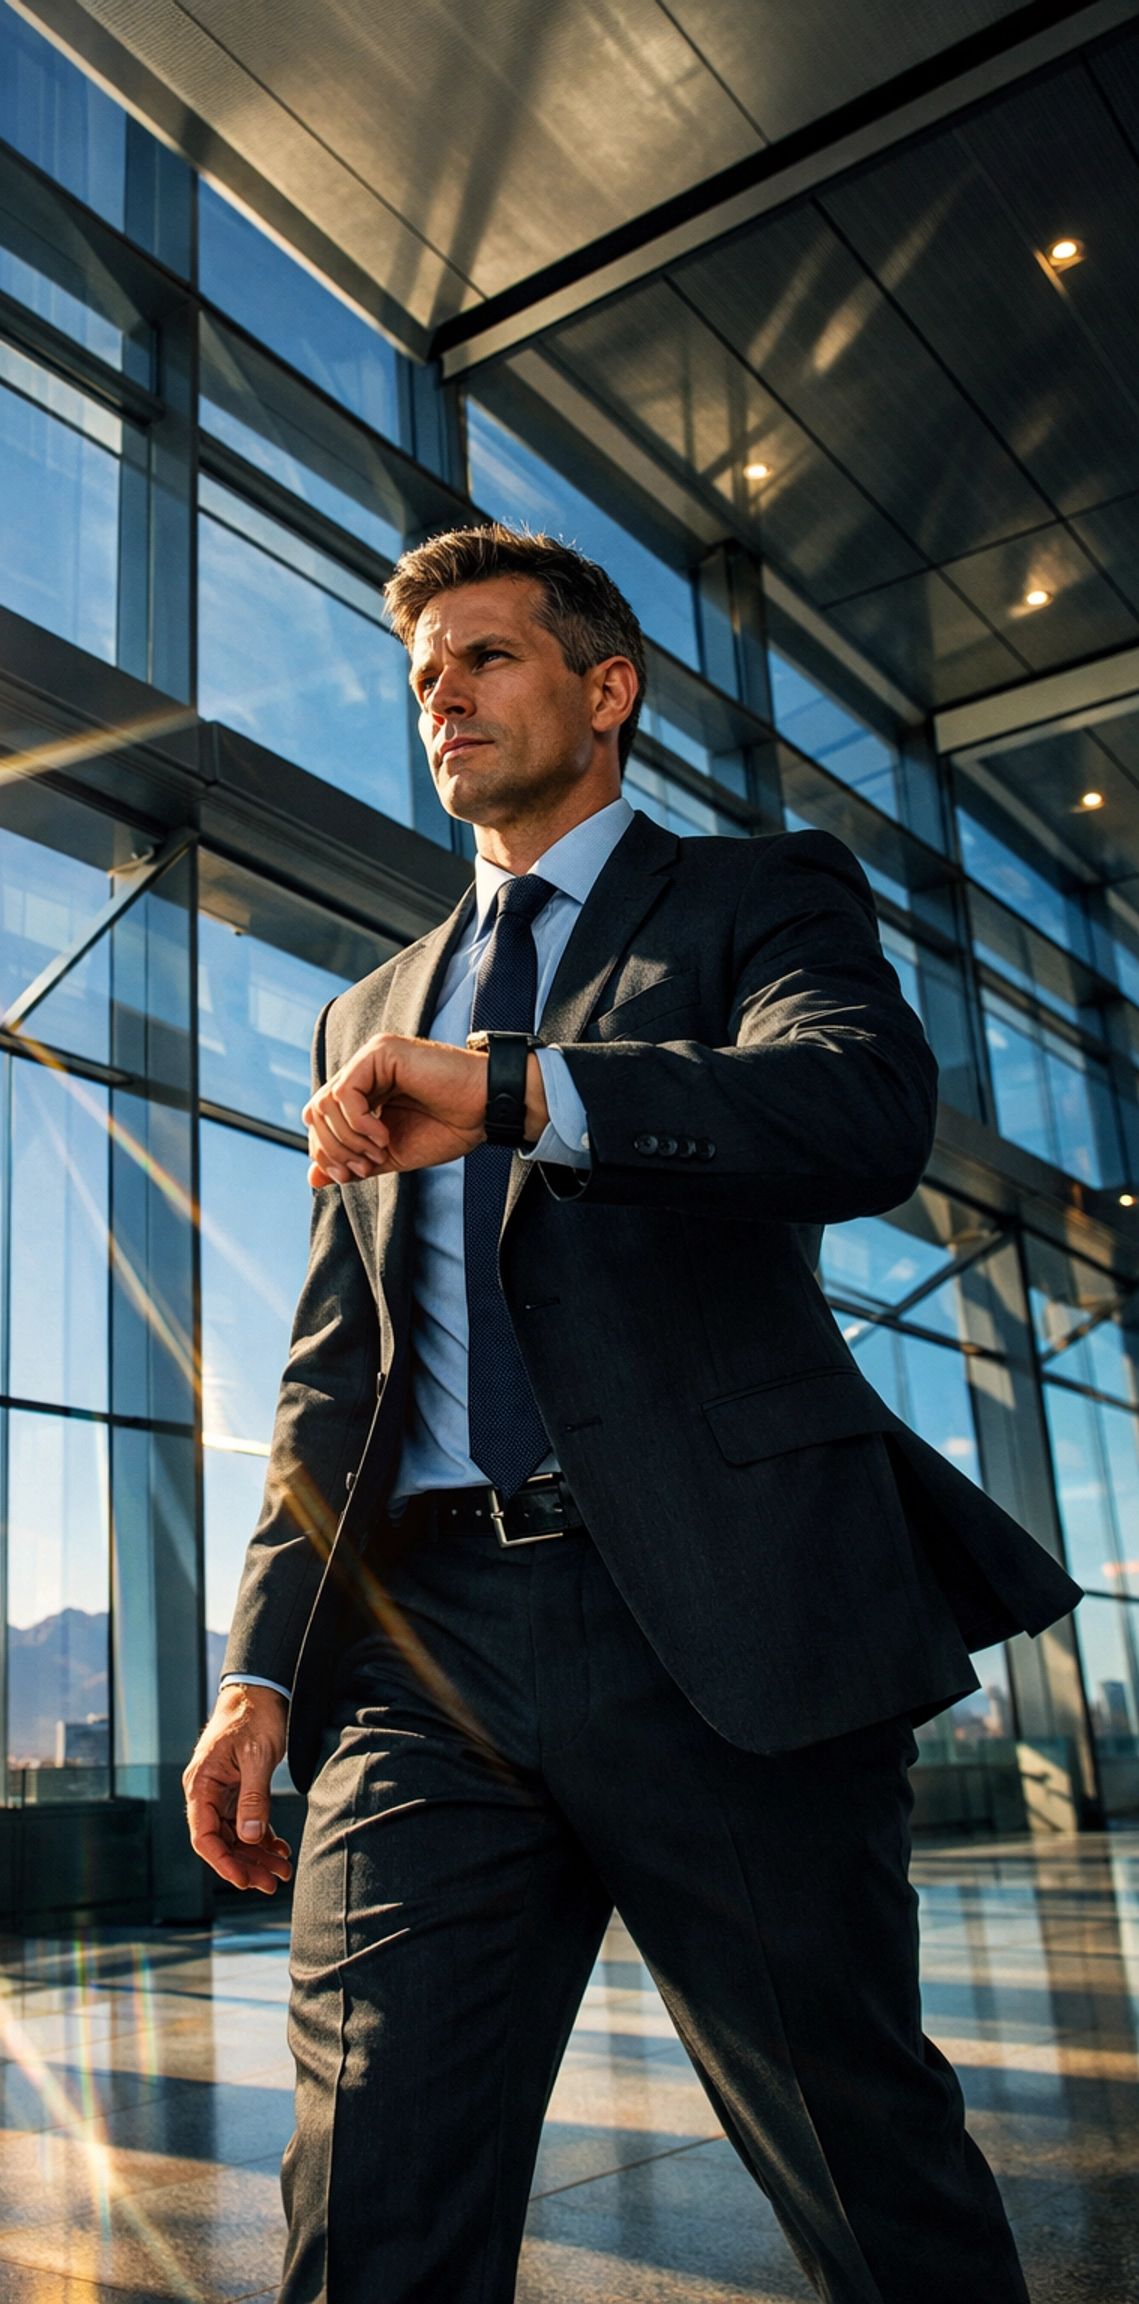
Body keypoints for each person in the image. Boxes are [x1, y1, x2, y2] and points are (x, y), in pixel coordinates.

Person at [183, 525, 1079, 2304]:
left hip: (718, 1622)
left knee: (862, 2169)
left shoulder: (758, 896)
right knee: (367, 2207)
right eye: (423, 672)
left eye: (486, 657)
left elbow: (854, 1114)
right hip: (421, 1660)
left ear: (608, 693)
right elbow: (335, 1369)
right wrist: (261, 1667)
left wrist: (514, 1091)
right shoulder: (366, 1011)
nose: (441, 693)